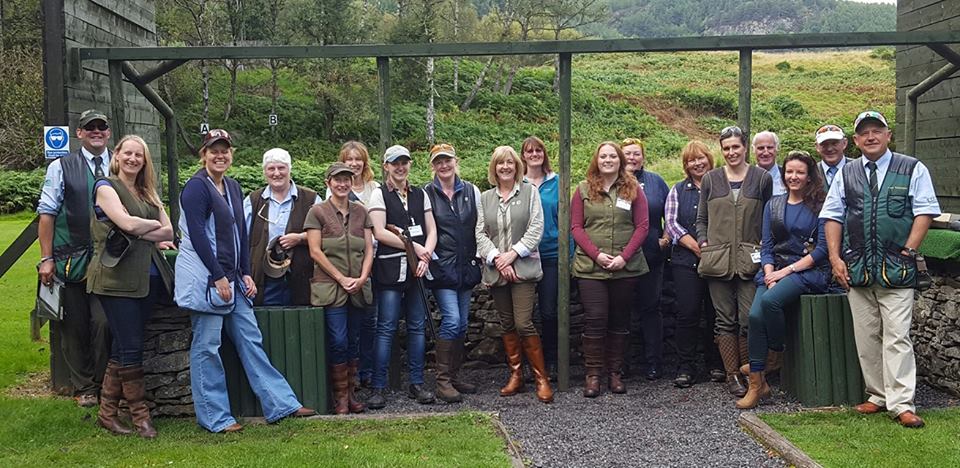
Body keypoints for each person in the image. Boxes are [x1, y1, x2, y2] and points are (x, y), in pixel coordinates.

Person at [175, 129, 315, 433]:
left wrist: (244, 273)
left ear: (231, 153)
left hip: (232, 279)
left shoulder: (234, 187)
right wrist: (217, 275)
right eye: (214, 150)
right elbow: (198, 236)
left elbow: (239, 234)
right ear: (204, 154)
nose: (220, 155)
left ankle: (280, 404)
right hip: (206, 280)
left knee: (250, 339)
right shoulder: (195, 189)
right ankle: (215, 417)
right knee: (208, 346)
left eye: (225, 150)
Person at [821, 111, 940, 428]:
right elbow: (832, 216)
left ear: (888, 135)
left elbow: (924, 211)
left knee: (897, 337)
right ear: (856, 141)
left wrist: (909, 251)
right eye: (864, 133)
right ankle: (877, 396)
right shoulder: (846, 174)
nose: (871, 137)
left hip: (897, 269)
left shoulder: (912, 168)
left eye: (877, 131)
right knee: (867, 336)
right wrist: (835, 259)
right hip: (858, 269)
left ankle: (902, 403)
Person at [88, 135, 174, 438]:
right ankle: (141, 417)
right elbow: (127, 225)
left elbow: (170, 230)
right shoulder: (105, 186)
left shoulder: (147, 190)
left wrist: (140, 225)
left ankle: (107, 413)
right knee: (132, 346)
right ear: (117, 155)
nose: (133, 159)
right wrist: (146, 226)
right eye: (128, 153)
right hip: (115, 281)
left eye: (139, 155)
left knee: (123, 346)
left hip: (147, 279)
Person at [737, 151, 832, 409]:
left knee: (770, 303)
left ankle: (772, 357)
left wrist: (784, 273)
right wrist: (769, 273)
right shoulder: (773, 204)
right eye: (789, 172)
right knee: (754, 316)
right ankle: (758, 384)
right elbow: (766, 245)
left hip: (807, 271)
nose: (794, 177)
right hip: (774, 269)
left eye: (800, 172)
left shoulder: (821, 204)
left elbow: (822, 250)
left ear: (810, 176)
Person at [37, 109, 112, 408]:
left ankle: (102, 381)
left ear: (108, 132)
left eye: (101, 127)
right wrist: (46, 258)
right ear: (79, 133)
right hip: (72, 259)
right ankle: (84, 386)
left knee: (105, 323)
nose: (96, 132)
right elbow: (47, 214)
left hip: (110, 258)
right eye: (90, 128)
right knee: (74, 325)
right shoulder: (60, 167)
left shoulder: (119, 163)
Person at [696, 125, 773, 398]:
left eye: (736, 147)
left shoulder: (762, 178)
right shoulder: (710, 179)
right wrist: (704, 241)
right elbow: (702, 217)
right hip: (718, 260)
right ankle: (732, 375)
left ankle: (750, 372)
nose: (731, 152)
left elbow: (769, 213)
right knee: (724, 319)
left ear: (745, 148)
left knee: (749, 318)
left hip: (750, 260)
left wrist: (766, 241)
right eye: (726, 148)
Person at [476, 145, 553, 404]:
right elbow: (480, 233)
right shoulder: (485, 197)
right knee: (507, 325)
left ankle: (542, 378)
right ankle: (516, 376)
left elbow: (536, 227)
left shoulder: (530, 192)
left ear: (516, 166)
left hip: (523, 270)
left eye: (510, 162)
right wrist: (498, 258)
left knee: (523, 323)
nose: (505, 167)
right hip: (497, 270)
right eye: (500, 163)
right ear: (494, 168)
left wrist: (513, 255)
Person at [572, 142, 649, 397]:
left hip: (624, 268)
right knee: (595, 318)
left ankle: (614, 373)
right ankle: (593, 375)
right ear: (597, 160)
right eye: (603, 156)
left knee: (619, 319)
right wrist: (597, 255)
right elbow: (576, 228)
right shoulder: (583, 189)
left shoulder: (633, 189)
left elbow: (643, 226)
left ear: (620, 160)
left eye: (612, 156)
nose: (607, 160)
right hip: (590, 267)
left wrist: (624, 257)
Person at [365, 145, 437, 409]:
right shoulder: (379, 194)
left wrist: (426, 253)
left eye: (404, 162)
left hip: (418, 270)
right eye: (395, 163)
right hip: (390, 270)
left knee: (418, 327)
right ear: (386, 166)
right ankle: (378, 387)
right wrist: (413, 247)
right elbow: (380, 232)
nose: (400, 167)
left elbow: (432, 230)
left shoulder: (421, 194)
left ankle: (417, 383)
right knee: (386, 328)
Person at [304, 162, 373, 415]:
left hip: (358, 287)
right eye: (337, 180)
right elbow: (315, 251)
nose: (342, 184)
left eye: (346, 179)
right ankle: (340, 397)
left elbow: (368, 249)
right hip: (331, 289)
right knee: (338, 341)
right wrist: (341, 278)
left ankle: (352, 394)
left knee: (354, 341)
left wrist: (363, 277)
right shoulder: (317, 212)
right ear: (328, 183)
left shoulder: (361, 212)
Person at [423, 143, 482, 403]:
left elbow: (480, 226)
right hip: (442, 268)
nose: (443, 165)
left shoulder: (471, 190)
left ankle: (454, 376)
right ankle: (442, 381)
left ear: (455, 161)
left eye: (447, 160)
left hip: (466, 267)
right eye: (438, 162)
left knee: (464, 323)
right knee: (452, 320)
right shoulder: (426, 193)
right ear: (432, 166)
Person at [664, 140, 724, 388]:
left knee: (717, 313)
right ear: (686, 166)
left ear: (710, 160)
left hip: (720, 261)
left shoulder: (722, 186)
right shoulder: (678, 190)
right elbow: (671, 223)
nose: (697, 163)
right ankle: (685, 366)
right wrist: (697, 248)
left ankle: (717, 363)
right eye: (691, 160)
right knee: (687, 313)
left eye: (701, 158)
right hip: (686, 261)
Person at [331, 141, 381, 389]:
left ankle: (368, 371)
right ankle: (351, 378)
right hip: (344, 268)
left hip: (373, 264)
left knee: (369, 323)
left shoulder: (375, 188)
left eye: (358, 159)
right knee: (348, 328)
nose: (354, 164)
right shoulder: (335, 191)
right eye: (349, 159)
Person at [243, 148, 320, 306]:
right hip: (263, 278)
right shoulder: (253, 201)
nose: (276, 173)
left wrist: (300, 238)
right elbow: (240, 238)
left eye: (281, 168)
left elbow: (327, 233)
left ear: (289, 169)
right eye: (271, 168)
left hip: (302, 275)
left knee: (300, 322)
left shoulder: (311, 199)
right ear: (264, 172)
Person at [622, 137, 670, 380]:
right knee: (621, 311)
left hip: (651, 255)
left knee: (651, 308)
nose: (632, 158)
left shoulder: (656, 182)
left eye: (636, 154)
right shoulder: (613, 182)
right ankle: (621, 365)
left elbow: (671, 213)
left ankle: (654, 363)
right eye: (628, 153)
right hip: (621, 257)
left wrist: (666, 238)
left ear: (643, 157)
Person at [521, 136, 560, 375]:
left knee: (549, 311)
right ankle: (527, 364)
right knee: (523, 315)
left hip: (551, 253)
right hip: (523, 255)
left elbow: (566, 220)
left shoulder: (556, 182)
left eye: (538, 150)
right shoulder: (517, 183)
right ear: (523, 156)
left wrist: (570, 256)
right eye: (529, 151)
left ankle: (552, 361)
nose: (534, 154)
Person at [814, 124, 850, 191]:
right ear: (817, 147)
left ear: (844, 143)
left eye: (834, 143)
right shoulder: (811, 172)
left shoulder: (859, 168)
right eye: (824, 144)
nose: (829, 149)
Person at [753, 131, 786, 196]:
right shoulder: (746, 177)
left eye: (770, 148)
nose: (766, 153)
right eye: (761, 148)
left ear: (777, 149)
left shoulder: (787, 177)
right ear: (753, 150)